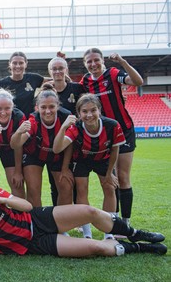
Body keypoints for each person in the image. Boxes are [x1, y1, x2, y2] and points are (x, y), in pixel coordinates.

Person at [0, 176, 166, 268]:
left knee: (89, 211)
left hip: (37, 219)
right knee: (96, 247)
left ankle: (135, 233)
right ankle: (138, 248)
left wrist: (1, 199)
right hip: (30, 245)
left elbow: (26, 206)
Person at [81, 48, 143, 229]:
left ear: (102, 61)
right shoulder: (85, 81)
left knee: (123, 177)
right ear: (85, 64)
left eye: (96, 60)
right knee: (110, 180)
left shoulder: (113, 74)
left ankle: (126, 221)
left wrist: (123, 62)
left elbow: (138, 81)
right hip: (103, 136)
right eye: (89, 61)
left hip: (124, 131)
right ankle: (113, 222)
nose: (93, 64)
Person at [53, 94, 126, 239]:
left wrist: (110, 173)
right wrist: (63, 128)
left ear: (99, 110)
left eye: (93, 110)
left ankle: (109, 232)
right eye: (84, 111)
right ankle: (87, 233)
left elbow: (115, 150)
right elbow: (57, 149)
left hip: (104, 159)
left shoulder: (112, 125)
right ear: (79, 113)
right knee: (81, 190)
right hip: (82, 160)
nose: (89, 115)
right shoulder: (75, 128)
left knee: (110, 187)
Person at [10, 84, 72, 208]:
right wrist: (18, 132)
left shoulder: (66, 117)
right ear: (37, 107)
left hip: (58, 155)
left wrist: (65, 168)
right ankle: (37, 224)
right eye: (43, 107)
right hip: (34, 155)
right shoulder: (33, 120)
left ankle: (60, 225)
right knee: (33, 190)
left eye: (51, 107)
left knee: (66, 187)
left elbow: (70, 145)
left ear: (58, 106)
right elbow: (16, 144)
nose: (47, 111)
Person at [47, 52, 85, 206]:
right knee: (56, 183)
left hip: (75, 143)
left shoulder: (77, 88)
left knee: (74, 180)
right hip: (53, 143)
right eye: (54, 69)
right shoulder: (46, 91)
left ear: (66, 69)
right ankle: (58, 216)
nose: (57, 71)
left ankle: (76, 215)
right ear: (50, 71)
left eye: (60, 68)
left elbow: (88, 106)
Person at [0, 51, 46, 117]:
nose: (18, 66)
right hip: (11, 122)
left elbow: (53, 80)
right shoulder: (2, 84)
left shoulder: (33, 78)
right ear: (9, 64)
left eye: (21, 63)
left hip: (29, 121)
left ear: (26, 64)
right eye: (14, 63)